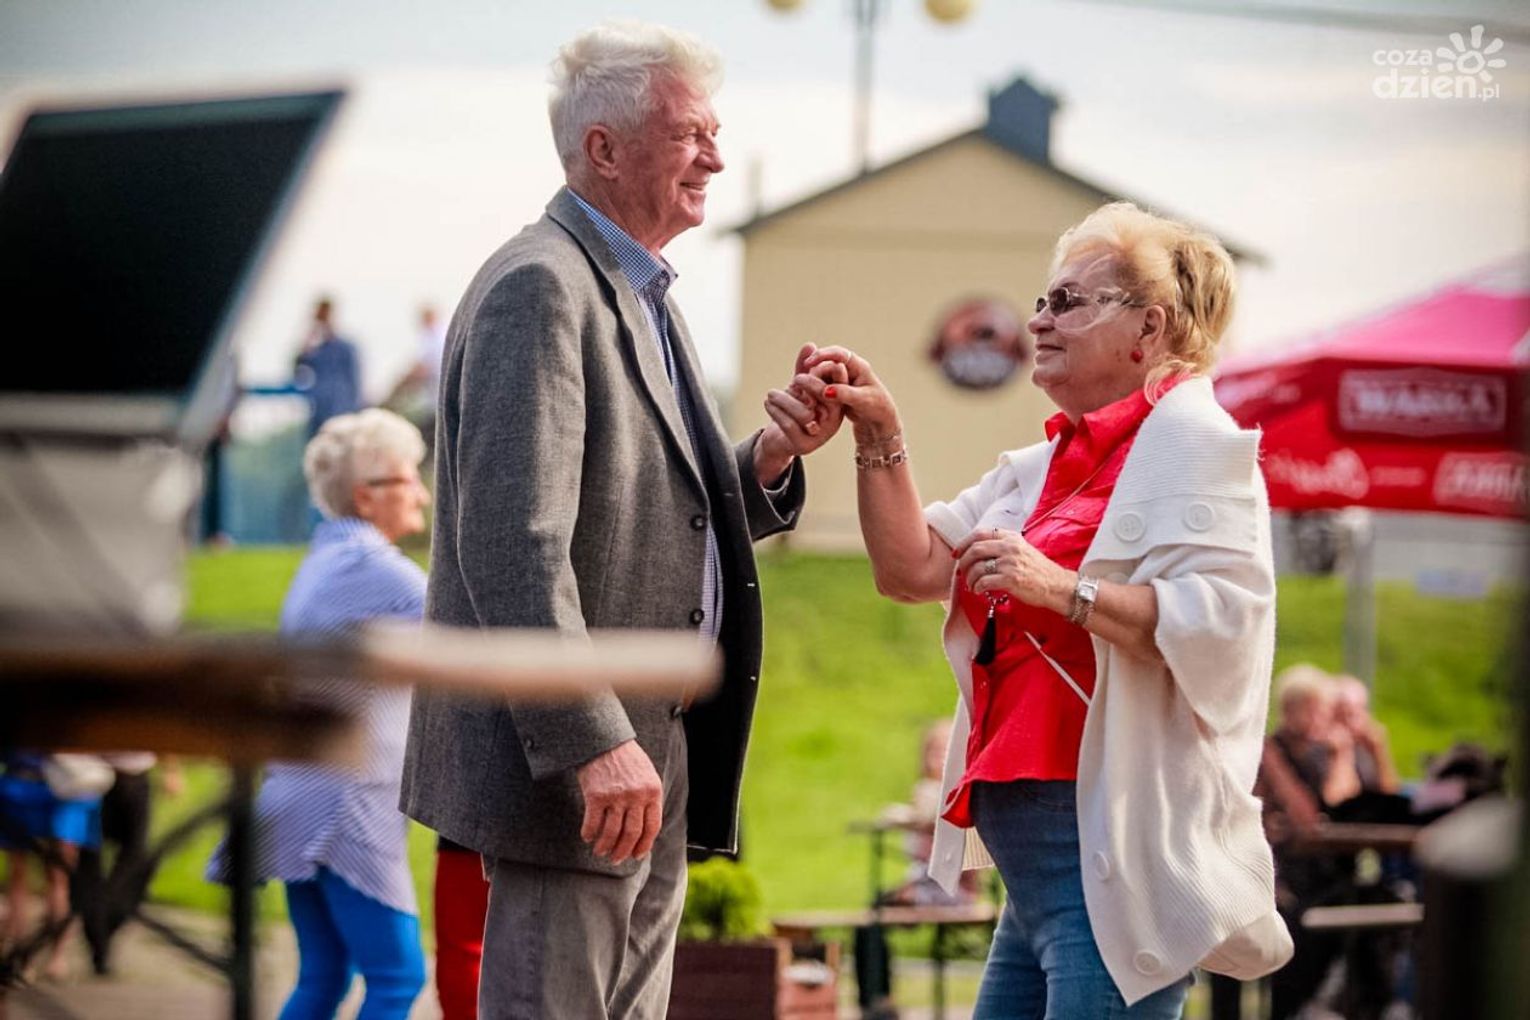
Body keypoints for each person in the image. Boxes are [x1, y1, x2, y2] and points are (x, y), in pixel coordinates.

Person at [398, 21, 843, 1020]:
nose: (716, 158)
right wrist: (592, 739)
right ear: (604, 148)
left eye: (715, 134)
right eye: (692, 134)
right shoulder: (539, 287)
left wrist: (769, 460)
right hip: (582, 770)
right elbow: (512, 546)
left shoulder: (642, 293)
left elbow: (655, 516)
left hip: (650, 752)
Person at [793, 202, 1292, 1016]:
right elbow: (910, 569)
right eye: (1040, 301)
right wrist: (878, 434)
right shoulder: (1041, 464)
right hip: (1039, 875)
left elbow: (1223, 627)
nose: (1037, 321)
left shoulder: (1200, 447)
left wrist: (1060, 588)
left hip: (1109, 861)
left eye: (1066, 302)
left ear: (1148, 327)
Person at [208, 408, 430, 1019]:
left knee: (324, 976)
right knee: (398, 977)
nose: (423, 493)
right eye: (410, 477)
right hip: (346, 802)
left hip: (309, 788)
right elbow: (469, 628)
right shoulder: (371, 565)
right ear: (366, 494)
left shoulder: (330, 557)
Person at [0, 752, 106, 981]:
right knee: (25, 876)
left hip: (66, 785)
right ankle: (23, 956)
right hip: (26, 784)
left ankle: (53, 956)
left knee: (55, 877)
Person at [295, 296, 364, 436]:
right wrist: (310, 336)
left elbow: (355, 380)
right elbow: (298, 367)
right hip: (320, 411)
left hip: (342, 411)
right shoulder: (316, 350)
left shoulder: (346, 348)